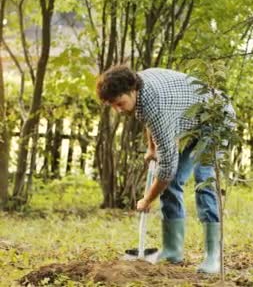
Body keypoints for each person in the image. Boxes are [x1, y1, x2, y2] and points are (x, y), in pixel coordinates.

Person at [95, 65, 235, 274]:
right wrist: (152, 148)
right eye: (113, 106)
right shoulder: (138, 86)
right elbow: (147, 117)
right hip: (195, 120)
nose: (119, 109)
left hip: (217, 118)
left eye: (120, 103)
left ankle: (214, 256)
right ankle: (172, 250)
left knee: (204, 182)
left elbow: (167, 170)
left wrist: (147, 200)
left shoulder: (157, 106)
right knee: (174, 182)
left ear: (132, 90)